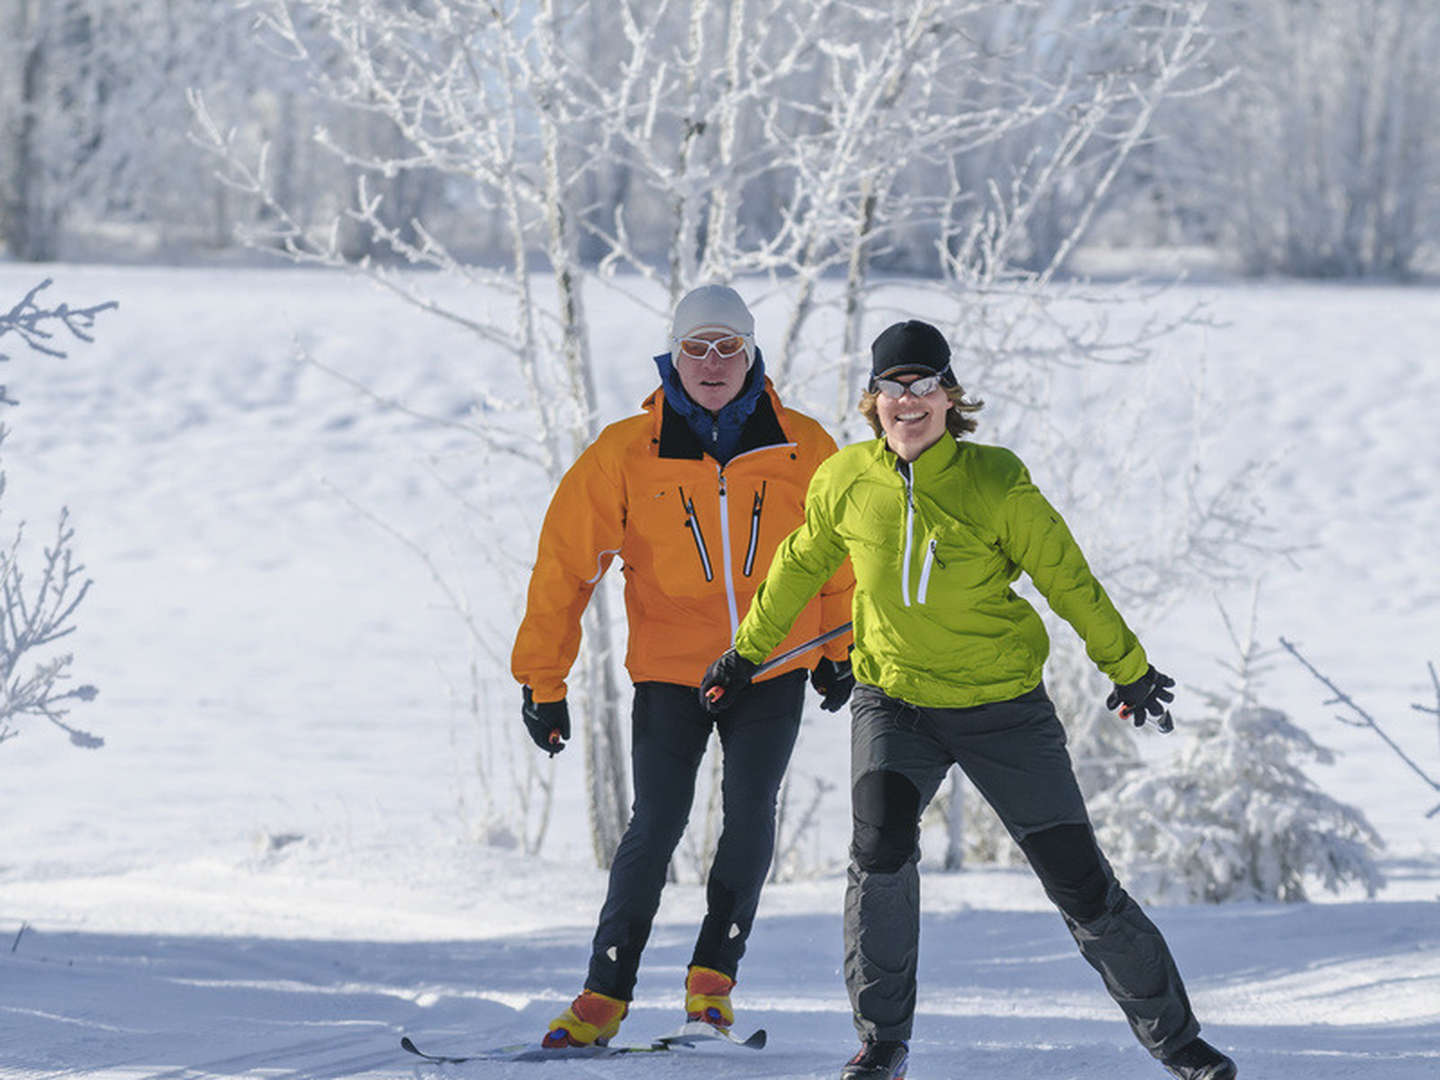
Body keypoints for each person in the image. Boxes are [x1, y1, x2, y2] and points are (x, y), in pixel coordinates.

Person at [700, 320, 1239, 1080]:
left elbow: (1066, 578)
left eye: (925, 386)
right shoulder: (846, 479)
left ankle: (1179, 1044)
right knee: (879, 853)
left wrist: (1129, 667)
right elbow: (798, 563)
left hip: (1004, 710)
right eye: (894, 387)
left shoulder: (996, 481)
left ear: (951, 396)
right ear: (873, 399)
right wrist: (746, 652)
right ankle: (882, 1043)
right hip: (895, 703)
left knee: (1080, 882)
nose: (909, 402)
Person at [511, 284, 855, 1049]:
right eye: (696, 347)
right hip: (671, 669)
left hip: (771, 665)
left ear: (751, 355)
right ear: (674, 353)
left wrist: (839, 647)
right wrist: (544, 679)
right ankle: (603, 995)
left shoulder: (806, 446)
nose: (712, 362)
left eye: (728, 347)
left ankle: (712, 988)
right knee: (656, 823)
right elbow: (564, 567)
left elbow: (840, 553)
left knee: (749, 815)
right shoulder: (626, 452)